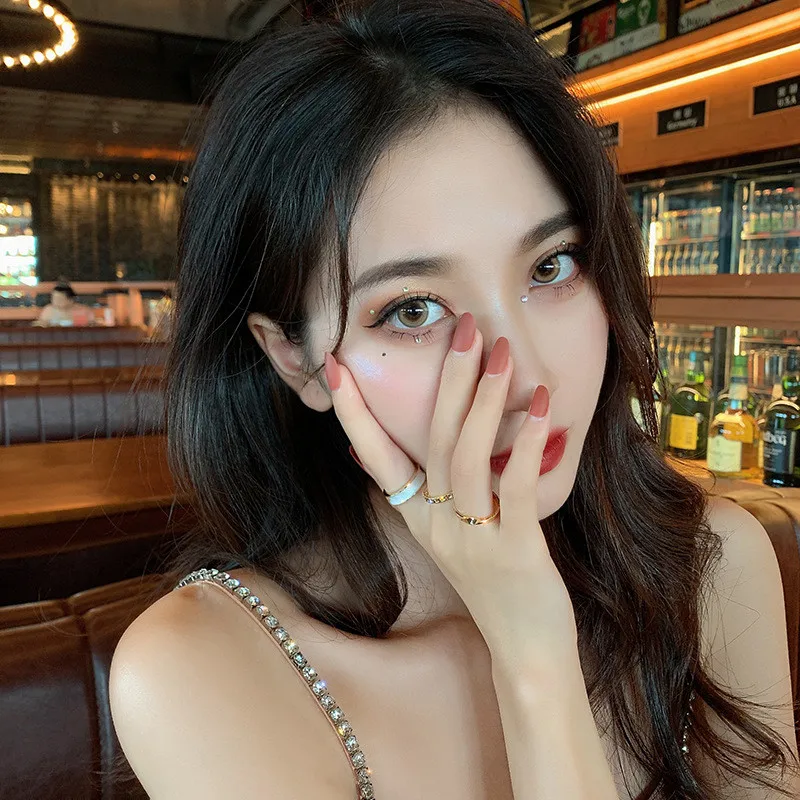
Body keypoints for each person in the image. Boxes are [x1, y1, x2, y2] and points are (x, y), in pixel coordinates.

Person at [108, 1, 800, 797]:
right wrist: (530, 650)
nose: (527, 379)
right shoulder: (205, 672)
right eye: (412, 310)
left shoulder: (712, 565)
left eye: (552, 266)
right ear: (296, 359)